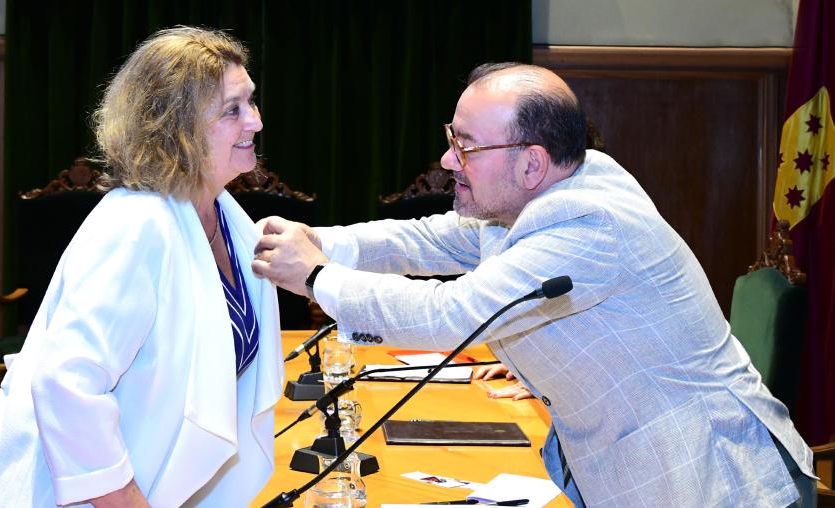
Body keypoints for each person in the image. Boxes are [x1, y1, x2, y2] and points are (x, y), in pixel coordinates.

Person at [251, 63, 817, 507]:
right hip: (636, 471)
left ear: (531, 164)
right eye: (453, 137)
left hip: (712, 482)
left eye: (467, 145)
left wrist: (317, 277)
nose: (450, 159)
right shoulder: (539, 195)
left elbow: (456, 314)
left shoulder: (587, 221)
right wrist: (318, 241)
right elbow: (430, 239)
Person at [0, 27, 283, 507]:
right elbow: (66, 382)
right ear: (175, 126)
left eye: (252, 102)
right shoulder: (138, 222)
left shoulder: (226, 216)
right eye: (233, 109)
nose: (256, 122)